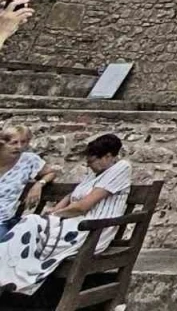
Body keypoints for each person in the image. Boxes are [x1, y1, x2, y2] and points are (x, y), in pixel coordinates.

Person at [0, 133, 132, 297]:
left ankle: (11, 280)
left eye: (92, 162)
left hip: (91, 230)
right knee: (29, 223)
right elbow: (72, 196)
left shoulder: (121, 168)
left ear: (108, 156)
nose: (89, 166)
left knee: (32, 222)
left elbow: (83, 206)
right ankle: (7, 278)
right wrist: (55, 210)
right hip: (73, 224)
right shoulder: (95, 173)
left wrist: (55, 214)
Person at [0, 125, 58, 234]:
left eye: (23, 142)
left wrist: (39, 184)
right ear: (2, 143)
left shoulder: (28, 160)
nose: (19, 147)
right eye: (14, 143)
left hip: (4, 220)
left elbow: (51, 173)